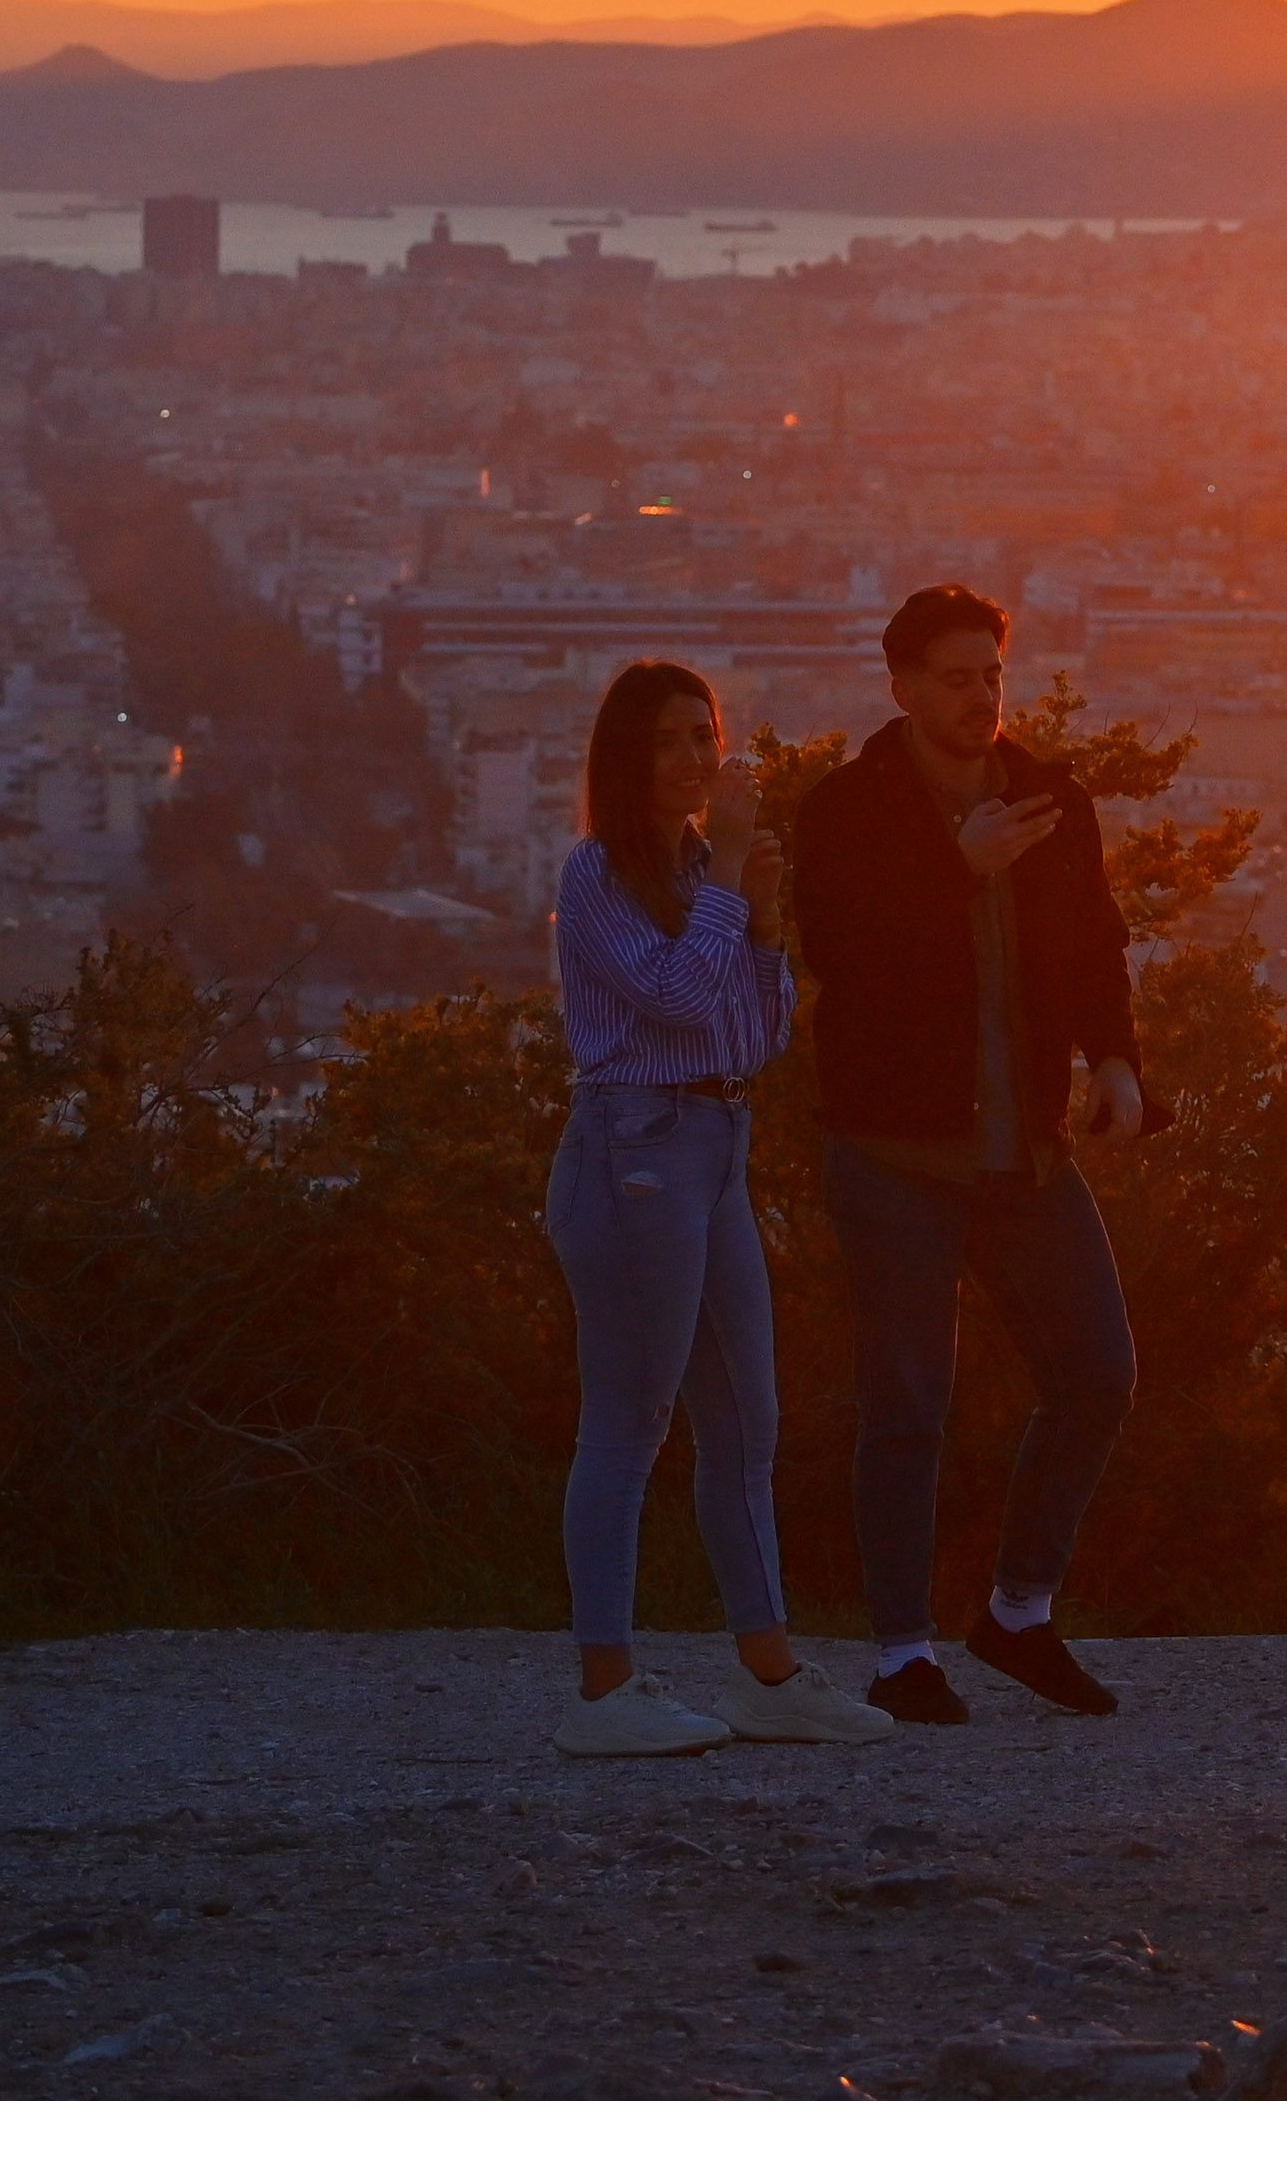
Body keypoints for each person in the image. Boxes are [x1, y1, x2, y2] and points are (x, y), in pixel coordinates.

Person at [780, 584, 1150, 1729]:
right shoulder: (846, 810)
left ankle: (1019, 1609)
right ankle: (902, 1649)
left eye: (991, 672)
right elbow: (840, 949)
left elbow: (1094, 940)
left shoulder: (1050, 798)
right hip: (894, 1150)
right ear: (900, 685)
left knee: (1098, 1370)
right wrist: (957, 868)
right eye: (955, 675)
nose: (980, 694)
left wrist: (1118, 1059)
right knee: (908, 1402)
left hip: (1021, 1147)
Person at [540, 660, 891, 1755]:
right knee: (628, 1421)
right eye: (670, 740)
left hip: (714, 1147)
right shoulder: (597, 874)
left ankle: (768, 1669)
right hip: (635, 1150)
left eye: (706, 734)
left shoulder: (705, 868)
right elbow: (684, 998)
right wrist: (738, 874)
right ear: (625, 758)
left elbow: (754, 1031)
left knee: (746, 1421)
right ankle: (605, 1686)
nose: (697, 759)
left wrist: (766, 922)